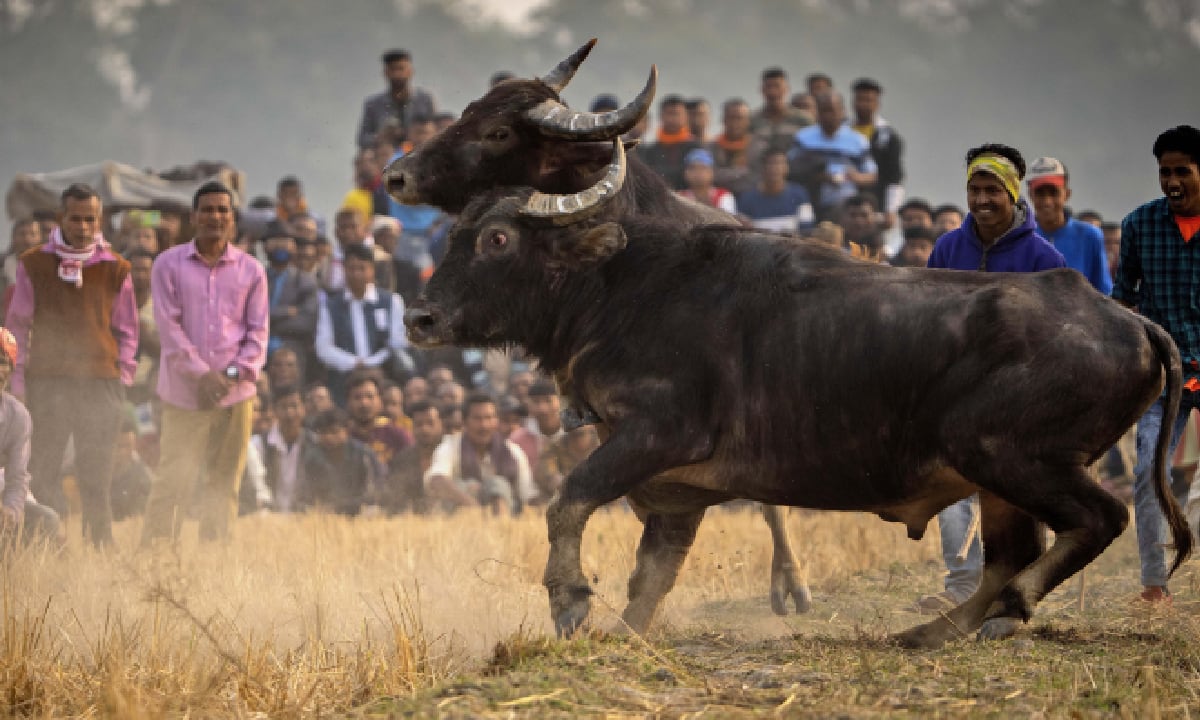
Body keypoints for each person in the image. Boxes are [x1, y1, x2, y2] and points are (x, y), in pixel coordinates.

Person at [917, 143, 1065, 613]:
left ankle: (1014, 584)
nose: (981, 200)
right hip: (952, 390)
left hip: (1017, 396)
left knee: (1012, 496)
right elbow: (923, 315)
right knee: (950, 486)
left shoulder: (1043, 259)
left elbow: (1058, 334)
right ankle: (961, 585)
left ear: (1012, 192)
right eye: (973, 189)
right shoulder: (948, 247)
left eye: (991, 190)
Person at [7, 183, 137, 548]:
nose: (82, 227)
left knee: (95, 474)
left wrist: (123, 374)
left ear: (99, 221)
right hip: (48, 383)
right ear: (62, 218)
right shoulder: (34, 263)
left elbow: (127, 330)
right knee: (44, 469)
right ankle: (47, 544)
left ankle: (101, 545)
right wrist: (18, 382)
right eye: (75, 218)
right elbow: (17, 325)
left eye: (90, 220)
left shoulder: (116, 267)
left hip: (100, 384)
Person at [141, 181, 269, 545]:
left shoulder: (251, 270)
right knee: (173, 481)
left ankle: (215, 567)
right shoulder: (168, 264)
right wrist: (201, 375)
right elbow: (168, 328)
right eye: (208, 209)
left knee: (225, 482)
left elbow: (258, 334)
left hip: (236, 393)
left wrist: (229, 375)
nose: (215, 216)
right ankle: (156, 562)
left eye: (222, 210)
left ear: (232, 219)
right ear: (194, 217)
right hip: (185, 393)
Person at [1112, 125, 1200, 603]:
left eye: (1182, 170)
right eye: (1164, 172)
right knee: (1147, 472)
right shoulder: (1139, 225)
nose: (1171, 181)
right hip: (1162, 373)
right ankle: (1154, 586)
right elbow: (1123, 302)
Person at [314, 244, 415, 404]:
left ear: (372, 270)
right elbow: (323, 347)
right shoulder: (331, 305)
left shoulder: (391, 301)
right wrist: (355, 363)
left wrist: (371, 364)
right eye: (351, 268)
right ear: (344, 270)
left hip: (384, 371)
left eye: (362, 268)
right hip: (345, 375)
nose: (356, 274)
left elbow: (397, 340)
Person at [0, 327, 61, 548]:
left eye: (3, 362)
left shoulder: (17, 416)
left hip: (3, 494)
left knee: (47, 521)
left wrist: (10, 513)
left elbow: (17, 478)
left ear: (10, 369)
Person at [425, 393, 535, 515]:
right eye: (477, 419)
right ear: (465, 421)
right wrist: (475, 508)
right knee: (468, 485)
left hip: (507, 514)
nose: (484, 425)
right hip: (463, 517)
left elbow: (527, 494)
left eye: (489, 418)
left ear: (496, 420)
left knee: (498, 484)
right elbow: (436, 480)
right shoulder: (450, 446)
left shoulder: (513, 451)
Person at [1026, 156, 1113, 294]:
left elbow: (1103, 290)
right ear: (1030, 195)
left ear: (1067, 194)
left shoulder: (1089, 235)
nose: (1047, 202)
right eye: (1040, 194)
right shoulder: (1022, 237)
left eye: (1054, 193)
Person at [789, 92, 879, 222]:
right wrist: (819, 176)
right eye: (824, 111)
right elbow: (790, 169)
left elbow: (872, 175)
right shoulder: (803, 138)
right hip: (811, 199)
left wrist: (856, 177)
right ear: (817, 113)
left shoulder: (857, 140)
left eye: (832, 111)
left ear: (842, 112)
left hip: (846, 202)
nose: (828, 116)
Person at [850, 78, 905, 233]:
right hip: (846, 204)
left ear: (877, 104)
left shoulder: (887, 136)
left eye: (869, 100)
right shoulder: (843, 130)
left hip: (876, 203)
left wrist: (891, 210)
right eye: (860, 99)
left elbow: (894, 176)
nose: (864, 105)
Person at [357, 49, 436, 150]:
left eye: (401, 69)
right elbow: (362, 139)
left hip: (420, 154)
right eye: (393, 69)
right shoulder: (373, 104)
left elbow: (437, 130)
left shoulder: (425, 99)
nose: (397, 74)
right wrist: (382, 136)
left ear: (410, 71)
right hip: (386, 159)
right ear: (385, 73)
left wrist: (417, 133)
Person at [303, 408, 376, 516]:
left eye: (334, 431)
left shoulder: (363, 454)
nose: (329, 437)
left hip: (360, 510)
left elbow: (373, 492)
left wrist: (343, 506)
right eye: (324, 432)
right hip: (324, 512)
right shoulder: (312, 457)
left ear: (346, 431)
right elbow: (305, 492)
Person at [264, 229, 320, 365]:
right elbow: (246, 317)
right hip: (258, 345)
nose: (280, 247)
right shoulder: (254, 278)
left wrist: (266, 320)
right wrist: (285, 312)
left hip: (292, 346)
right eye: (275, 243)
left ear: (294, 248)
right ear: (265, 247)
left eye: (285, 243)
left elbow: (306, 322)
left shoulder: (306, 281)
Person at [259, 385, 317, 514]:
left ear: (304, 409)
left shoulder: (315, 444)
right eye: (283, 407)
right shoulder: (259, 444)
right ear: (274, 411)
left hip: (305, 517)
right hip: (267, 518)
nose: (289, 414)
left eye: (294, 406)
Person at [380, 400, 443, 514]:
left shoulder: (453, 454)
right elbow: (394, 499)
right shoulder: (402, 460)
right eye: (419, 424)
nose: (424, 429)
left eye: (430, 423)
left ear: (440, 424)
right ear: (412, 427)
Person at [737, 149, 814, 233]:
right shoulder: (747, 199)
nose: (775, 168)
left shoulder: (799, 194)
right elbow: (743, 234)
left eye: (779, 163)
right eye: (770, 163)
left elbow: (807, 231)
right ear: (762, 168)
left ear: (787, 167)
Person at [641, 94, 703, 191]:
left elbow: (695, 175)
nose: (673, 119)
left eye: (676, 114)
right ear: (661, 116)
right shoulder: (650, 149)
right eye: (669, 113)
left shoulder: (695, 147)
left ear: (686, 116)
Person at [750, 67, 813, 162]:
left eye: (777, 86)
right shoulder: (752, 120)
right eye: (769, 87)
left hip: (796, 173)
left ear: (787, 89)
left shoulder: (803, 120)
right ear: (762, 90)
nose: (773, 92)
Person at [535, 426, 600, 506]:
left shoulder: (604, 447)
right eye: (574, 435)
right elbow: (546, 471)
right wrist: (554, 478)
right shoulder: (555, 447)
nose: (578, 440)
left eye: (581, 434)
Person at [709, 98, 757, 197]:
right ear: (723, 120)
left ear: (748, 121)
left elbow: (755, 179)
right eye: (731, 117)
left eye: (739, 118)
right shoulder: (712, 147)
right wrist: (742, 172)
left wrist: (725, 175)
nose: (735, 123)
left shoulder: (758, 147)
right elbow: (711, 176)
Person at [110, 421, 153, 521]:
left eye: (127, 446)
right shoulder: (98, 467)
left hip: (130, 521)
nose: (122, 451)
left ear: (134, 446)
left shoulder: (141, 471)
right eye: (118, 446)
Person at [678, 148, 738, 216]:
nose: (698, 172)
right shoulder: (679, 198)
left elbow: (727, 223)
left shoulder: (724, 196)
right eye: (693, 168)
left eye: (703, 168)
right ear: (685, 173)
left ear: (712, 172)